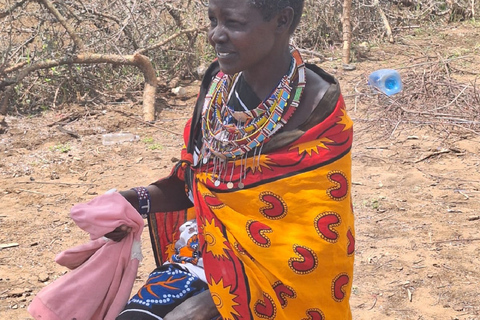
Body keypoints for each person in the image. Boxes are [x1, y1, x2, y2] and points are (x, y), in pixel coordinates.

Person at [111, 0, 355, 319]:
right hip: (202, 257)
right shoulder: (217, 87)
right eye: (213, 20)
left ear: (282, 21)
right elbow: (193, 183)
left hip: (281, 287)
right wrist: (131, 201)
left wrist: (212, 303)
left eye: (233, 23)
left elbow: (315, 249)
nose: (215, 35)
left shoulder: (318, 112)